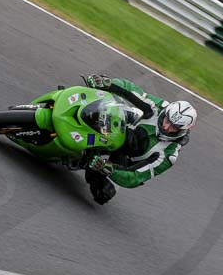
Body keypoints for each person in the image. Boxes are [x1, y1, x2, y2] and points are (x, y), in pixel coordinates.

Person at [82, 74, 197, 205]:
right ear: (166, 112)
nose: (166, 126)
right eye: (167, 120)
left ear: (182, 130)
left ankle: (90, 161)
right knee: (105, 102)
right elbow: (130, 89)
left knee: (102, 194)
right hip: (124, 126)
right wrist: (107, 82)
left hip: (124, 159)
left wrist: (108, 169)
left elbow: (136, 177)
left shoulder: (169, 155)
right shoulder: (159, 107)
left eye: (173, 127)